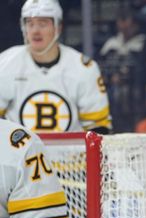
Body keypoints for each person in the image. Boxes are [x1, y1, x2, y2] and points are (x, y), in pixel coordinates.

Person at [0, 0, 111, 133]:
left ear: (58, 27)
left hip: (73, 153)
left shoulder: (84, 68)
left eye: (43, 24)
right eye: (30, 23)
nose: (35, 31)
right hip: (20, 153)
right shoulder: (5, 64)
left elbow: (98, 126)